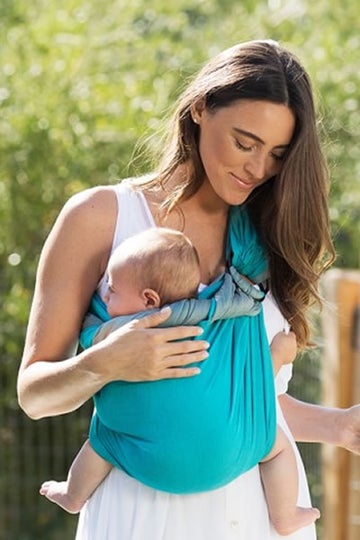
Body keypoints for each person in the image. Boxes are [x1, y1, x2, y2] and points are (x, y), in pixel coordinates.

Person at [17, 39, 360, 540]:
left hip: (260, 515)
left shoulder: (267, 236)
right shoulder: (102, 218)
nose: (257, 169)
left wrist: (338, 427)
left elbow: (234, 399)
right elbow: (35, 395)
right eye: (245, 143)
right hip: (142, 512)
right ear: (200, 108)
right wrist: (106, 363)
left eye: (277, 155)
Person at [39, 227, 319, 535]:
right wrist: (277, 354)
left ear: (149, 299)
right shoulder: (213, 323)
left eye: (112, 290)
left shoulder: (112, 334)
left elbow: (89, 333)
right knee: (276, 447)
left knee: (102, 443)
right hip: (225, 459)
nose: (105, 296)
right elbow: (247, 390)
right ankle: (285, 514)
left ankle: (73, 494)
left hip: (148, 463)